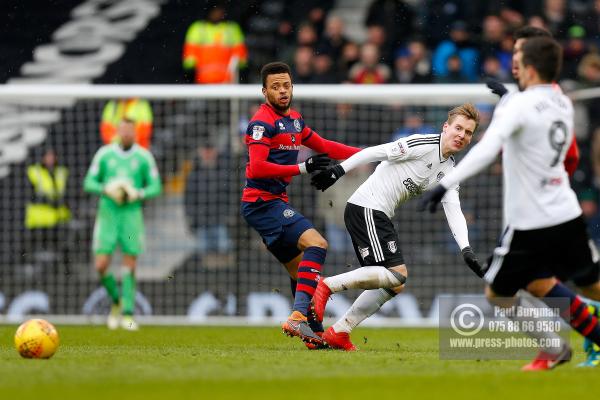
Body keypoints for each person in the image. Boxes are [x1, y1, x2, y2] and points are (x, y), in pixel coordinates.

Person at [419, 36, 600, 371]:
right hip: (567, 212)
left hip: (532, 221)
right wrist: (510, 99)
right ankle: (556, 350)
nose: (514, 65)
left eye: (518, 58)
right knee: (571, 283)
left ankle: (554, 347)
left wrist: (445, 183)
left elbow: (488, 150)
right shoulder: (562, 101)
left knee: (498, 293)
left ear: (529, 68)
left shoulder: (518, 105)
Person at [309, 103, 484, 350]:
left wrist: (466, 249)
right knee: (397, 274)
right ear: (446, 127)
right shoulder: (422, 144)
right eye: (458, 128)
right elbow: (375, 152)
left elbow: (453, 208)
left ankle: (340, 331)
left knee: (395, 284)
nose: (462, 135)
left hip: (377, 213)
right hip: (367, 207)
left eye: (468, 132)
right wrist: (339, 170)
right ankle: (325, 286)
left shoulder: (450, 169)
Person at [241, 62, 360, 348]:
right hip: (261, 203)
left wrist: (371, 154)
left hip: (271, 203)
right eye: (275, 87)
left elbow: (326, 146)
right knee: (317, 243)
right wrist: (303, 167)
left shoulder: (295, 120)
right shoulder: (261, 123)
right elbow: (256, 168)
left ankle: (314, 334)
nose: (282, 91)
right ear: (264, 91)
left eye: (286, 85)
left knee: (302, 276)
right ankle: (297, 317)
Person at [84, 118, 162, 330]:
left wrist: (139, 192)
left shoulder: (143, 157)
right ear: (118, 132)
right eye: (123, 131)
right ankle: (116, 301)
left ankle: (128, 313)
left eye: (130, 131)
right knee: (100, 265)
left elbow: (156, 186)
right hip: (108, 215)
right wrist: (106, 188)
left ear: (134, 133)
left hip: (131, 215)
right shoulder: (105, 154)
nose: (126, 134)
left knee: (129, 265)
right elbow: (88, 182)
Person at [486, 26, 579, 177]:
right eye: (515, 51)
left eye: (523, 51)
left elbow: (570, 158)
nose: (516, 58)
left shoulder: (555, 100)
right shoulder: (521, 95)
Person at [24, 147, 71, 270]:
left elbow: (70, 192)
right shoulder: (33, 171)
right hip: (39, 222)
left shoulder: (62, 171)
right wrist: (48, 201)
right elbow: (29, 195)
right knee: (39, 253)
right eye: (47, 155)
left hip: (60, 220)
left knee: (61, 252)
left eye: (52, 155)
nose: (50, 159)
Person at [182, 3, 248, 84]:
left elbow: (241, 59)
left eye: (219, 11)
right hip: (203, 81)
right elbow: (189, 60)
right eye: (215, 11)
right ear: (209, 11)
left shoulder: (232, 29)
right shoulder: (198, 28)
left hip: (227, 82)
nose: (217, 14)